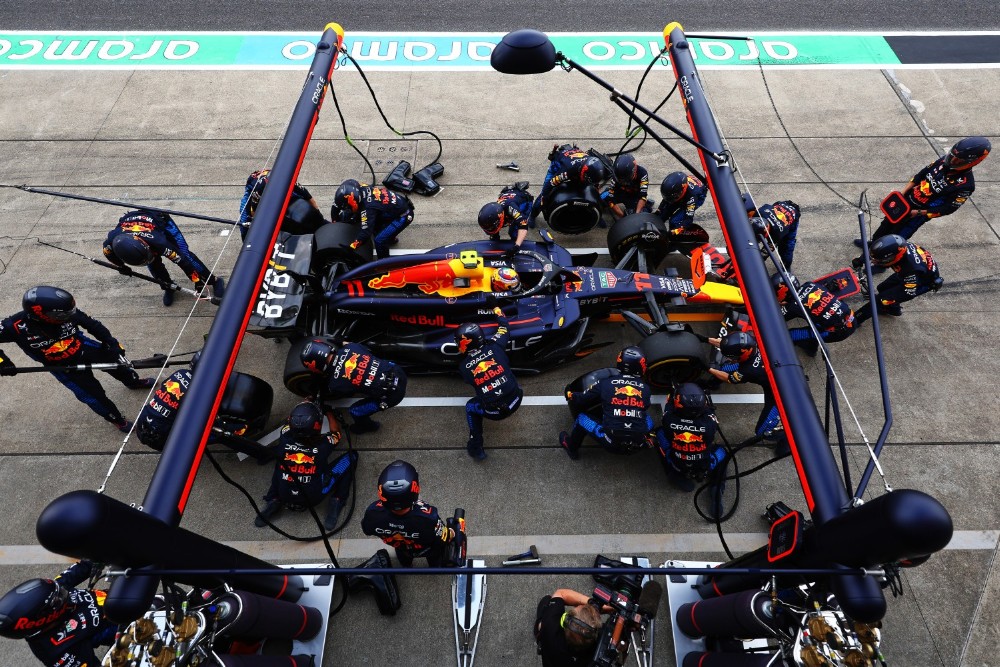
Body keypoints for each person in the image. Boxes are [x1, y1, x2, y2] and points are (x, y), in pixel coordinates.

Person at [0, 286, 153, 432]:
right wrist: (3, 362)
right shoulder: (13, 326)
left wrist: (112, 344)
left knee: (120, 365)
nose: (69, 316)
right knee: (93, 395)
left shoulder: (66, 311)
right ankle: (117, 419)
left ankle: (133, 382)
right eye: (62, 316)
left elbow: (94, 325)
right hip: (63, 368)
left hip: (84, 347)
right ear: (40, 314)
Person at [134, 352, 273, 461]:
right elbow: (213, 424)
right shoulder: (198, 397)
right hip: (161, 437)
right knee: (223, 435)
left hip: (144, 421)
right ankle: (264, 455)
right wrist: (243, 428)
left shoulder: (180, 373)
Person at [856, 136, 990, 246]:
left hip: (917, 215)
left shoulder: (966, 185)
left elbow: (948, 209)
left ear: (973, 161)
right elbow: (920, 175)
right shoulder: (943, 161)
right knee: (886, 224)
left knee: (896, 237)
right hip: (906, 202)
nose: (951, 161)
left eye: (958, 160)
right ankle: (873, 244)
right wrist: (902, 194)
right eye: (952, 156)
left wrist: (919, 213)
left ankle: (881, 262)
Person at [254, 401, 358, 530]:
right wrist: (329, 413)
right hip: (314, 498)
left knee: (282, 462)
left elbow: (289, 422)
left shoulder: (284, 437)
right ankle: (337, 500)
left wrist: (303, 403)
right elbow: (336, 433)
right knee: (352, 456)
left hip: (284, 494)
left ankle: (273, 500)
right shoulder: (323, 445)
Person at [0, 560, 116, 667]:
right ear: (43, 618)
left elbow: (84, 565)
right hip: (122, 622)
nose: (63, 591)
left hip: (118, 593)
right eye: (59, 599)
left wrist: (99, 553)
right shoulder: (58, 654)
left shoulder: (53, 589)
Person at [103, 209, 225, 307]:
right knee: (153, 265)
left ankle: (214, 280)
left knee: (186, 254)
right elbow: (110, 256)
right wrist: (121, 266)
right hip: (137, 229)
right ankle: (168, 286)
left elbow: (182, 261)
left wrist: (196, 280)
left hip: (162, 224)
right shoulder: (109, 245)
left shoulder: (160, 243)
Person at [560, 346, 655, 459]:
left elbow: (582, 398)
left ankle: (571, 448)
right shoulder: (646, 389)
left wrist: (569, 394)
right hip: (638, 443)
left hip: (611, 444)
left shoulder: (606, 383)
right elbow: (645, 406)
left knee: (581, 418)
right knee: (646, 417)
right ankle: (650, 438)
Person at [300, 337, 408, 434]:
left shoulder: (335, 385)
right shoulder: (352, 347)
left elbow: (346, 392)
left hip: (393, 396)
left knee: (355, 411)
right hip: (399, 371)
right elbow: (345, 343)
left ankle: (368, 427)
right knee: (377, 359)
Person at [361, 460, 457, 567]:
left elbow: (366, 529)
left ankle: (407, 565)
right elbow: (443, 538)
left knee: (404, 559)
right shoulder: (427, 518)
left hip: (401, 548)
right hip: (428, 549)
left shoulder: (373, 513)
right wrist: (453, 531)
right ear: (414, 491)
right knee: (435, 559)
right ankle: (434, 567)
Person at [456, 307, 523, 460]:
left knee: (470, 407)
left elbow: (470, 380)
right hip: (517, 398)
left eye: (459, 341)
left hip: (496, 412)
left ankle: (476, 447)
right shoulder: (496, 345)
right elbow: (504, 327)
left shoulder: (464, 367)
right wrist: (497, 310)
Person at [707, 332, 786, 454]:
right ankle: (712, 382)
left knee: (761, 431)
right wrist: (705, 339)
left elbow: (729, 378)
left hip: (781, 393)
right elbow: (723, 343)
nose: (730, 359)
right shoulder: (755, 341)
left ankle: (785, 438)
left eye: (733, 357)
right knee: (722, 369)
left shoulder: (748, 371)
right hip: (775, 371)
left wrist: (707, 368)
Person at [854, 234, 942, 324]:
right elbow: (878, 253)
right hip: (911, 272)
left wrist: (887, 300)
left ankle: (855, 321)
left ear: (892, 258)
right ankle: (893, 309)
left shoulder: (911, 270)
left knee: (880, 300)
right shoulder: (897, 246)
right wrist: (861, 260)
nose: (873, 261)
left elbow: (908, 293)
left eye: (878, 260)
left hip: (922, 282)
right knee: (882, 288)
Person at [655, 382, 724, 492]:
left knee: (659, 433)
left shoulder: (668, 420)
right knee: (722, 451)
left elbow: (669, 405)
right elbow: (709, 410)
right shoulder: (710, 423)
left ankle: (672, 473)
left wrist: (674, 394)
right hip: (704, 466)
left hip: (677, 464)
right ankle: (717, 488)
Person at [772, 273, 856, 356]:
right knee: (815, 319)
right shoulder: (810, 284)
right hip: (852, 318)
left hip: (838, 332)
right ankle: (812, 341)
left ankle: (811, 349)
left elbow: (776, 318)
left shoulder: (792, 306)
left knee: (791, 335)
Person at [530, 144, 608, 227]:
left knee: (595, 193)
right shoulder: (566, 171)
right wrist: (544, 199)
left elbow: (595, 184)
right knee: (544, 195)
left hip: (577, 166)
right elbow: (550, 184)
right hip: (558, 166)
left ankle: (598, 215)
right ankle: (532, 215)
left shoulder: (596, 169)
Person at [336, 180, 415, 259]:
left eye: (347, 207)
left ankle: (385, 264)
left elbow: (366, 232)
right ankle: (390, 238)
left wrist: (352, 246)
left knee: (379, 240)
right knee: (374, 224)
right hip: (397, 205)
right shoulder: (361, 187)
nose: (347, 209)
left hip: (404, 216)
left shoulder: (368, 208)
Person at [238, 168, 320, 238]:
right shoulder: (260, 189)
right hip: (252, 192)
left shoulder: (289, 181)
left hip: (268, 181)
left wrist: (318, 215)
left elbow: (308, 197)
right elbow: (253, 212)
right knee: (245, 224)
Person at [534, 589, 604, 667]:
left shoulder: (551, 626)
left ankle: (539, 631)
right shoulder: (597, 652)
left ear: (565, 620)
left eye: (577, 606)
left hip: (550, 643)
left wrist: (591, 602)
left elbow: (560, 594)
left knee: (544, 619)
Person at [744, 195, 800, 269]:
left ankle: (786, 268)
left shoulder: (777, 234)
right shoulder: (758, 213)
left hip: (792, 215)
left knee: (787, 247)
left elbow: (765, 252)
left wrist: (751, 263)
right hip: (779, 205)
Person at [477, 182, 532, 252]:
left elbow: (523, 225)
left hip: (524, 202)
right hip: (509, 195)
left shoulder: (511, 208)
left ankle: (515, 239)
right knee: (494, 232)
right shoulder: (495, 210)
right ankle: (495, 237)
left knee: (513, 232)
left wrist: (516, 246)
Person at [601, 153, 651, 222]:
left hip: (633, 196)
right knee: (600, 199)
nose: (623, 182)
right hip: (619, 193)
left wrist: (636, 214)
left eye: (624, 179)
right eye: (620, 179)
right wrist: (622, 216)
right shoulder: (616, 174)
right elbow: (610, 196)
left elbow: (643, 196)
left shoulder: (642, 174)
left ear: (634, 171)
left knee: (639, 216)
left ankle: (647, 205)